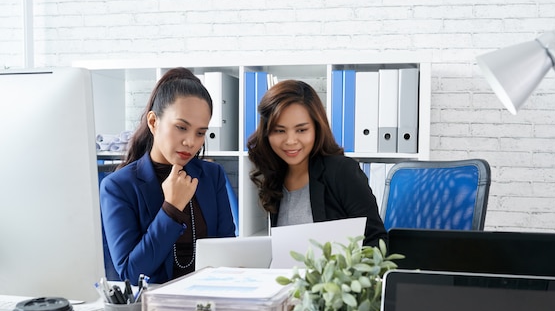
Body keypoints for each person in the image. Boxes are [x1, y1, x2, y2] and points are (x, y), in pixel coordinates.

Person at [100, 67, 235, 284]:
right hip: (154, 310)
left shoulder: (212, 176)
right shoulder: (118, 186)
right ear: (154, 122)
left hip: (210, 301)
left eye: (200, 132)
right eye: (181, 127)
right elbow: (130, 274)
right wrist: (171, 209)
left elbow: (228, 251)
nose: (191, 142)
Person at [247, 79, 388, 247]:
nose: (290, 141)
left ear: (316, 128)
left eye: (301, 130)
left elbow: (376, 242)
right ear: (266, 133)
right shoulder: (275, 176)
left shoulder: (342, 171)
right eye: (279, 130)